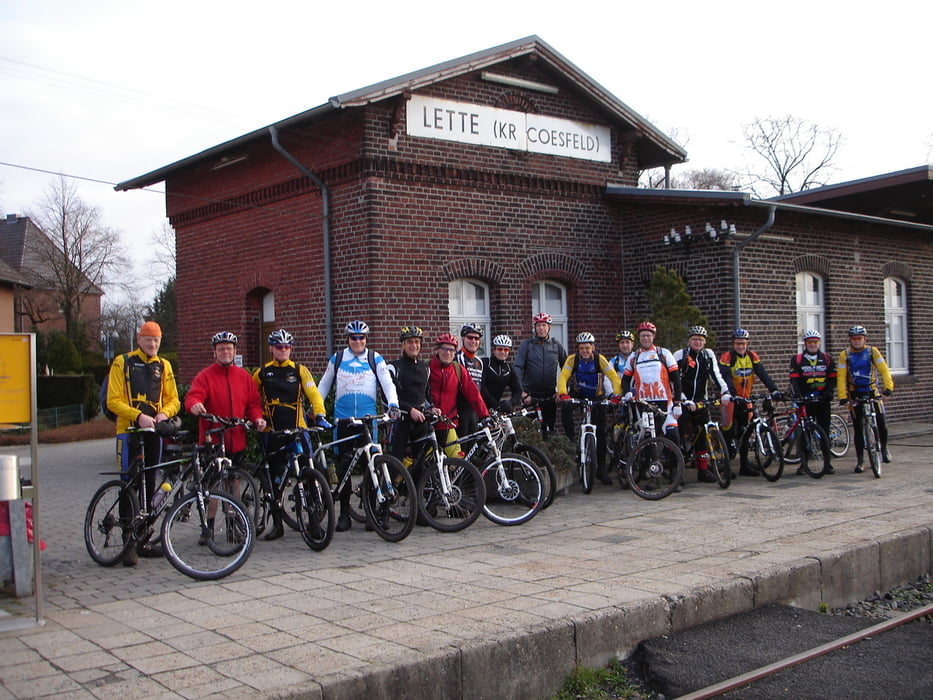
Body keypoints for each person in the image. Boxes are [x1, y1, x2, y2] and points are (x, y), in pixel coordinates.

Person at [106, 320, 180, 566]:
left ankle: (143, 537)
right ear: (139, 340)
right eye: (148, 339)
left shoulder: (164, 365)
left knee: (150, 484)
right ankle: (128, 542)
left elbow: (174, 399)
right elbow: (112, 401)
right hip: (128, 432)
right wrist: (137, 416)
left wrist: (163, 414)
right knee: (129, 485)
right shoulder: (123, 362)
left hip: (153, 433)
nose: (152, 343)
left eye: (156, 340)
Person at [317, 320, 400, 532]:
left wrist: (393, 404)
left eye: (361, 337)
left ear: (366, 339)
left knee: (370, 467)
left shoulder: (374, 359)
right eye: (353, 338)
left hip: (368, 422)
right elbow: (324, 385)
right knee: (344, 469)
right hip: (343, 421)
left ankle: (372, 513)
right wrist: (318, 410)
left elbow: (387, 383)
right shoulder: (337, 359)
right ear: (348, 339)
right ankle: (344, 515)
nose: (358, 341)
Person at [185, 331, 267, 543]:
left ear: (234, 351)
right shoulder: (205, 376)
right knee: (213, 484)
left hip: (236, 437)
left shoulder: (243, 377)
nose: (225, 352)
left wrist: (257, 419)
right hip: (213, 438)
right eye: (221, 349)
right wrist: (194, 404)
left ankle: (233, 525)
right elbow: (193, 395)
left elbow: (253, 404)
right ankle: (209, 528)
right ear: (214, 352)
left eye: (229, 349)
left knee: (234, 482)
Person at [252, 329, 329, 541]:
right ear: (271, 349)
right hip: (273, 432)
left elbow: (314, 394)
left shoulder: (299, 370)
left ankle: (314, 522)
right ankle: (277, 524)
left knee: (309, 474)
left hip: (298, 430)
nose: (283, 350)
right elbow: (251, 399)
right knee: (276, 479)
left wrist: (320, 414)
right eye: (279, 347)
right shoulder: (261, 373)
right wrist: (257, 417)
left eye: (286, 347)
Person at [557, 332, 622, 485]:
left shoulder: (600, 360)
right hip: (578, 393)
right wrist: (563, 394)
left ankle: (601, 470)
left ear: (593, 347)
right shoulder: (573, 360)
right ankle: (571, 438)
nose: (585, 350)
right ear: (578, 349)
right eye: (581, 348)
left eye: (587, 347)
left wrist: (617, 395)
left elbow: (614, 377)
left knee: (600, 433)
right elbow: (563, 377)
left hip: (596, 396)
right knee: (565, 409)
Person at [673, 326, 733, 483]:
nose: (697, 342)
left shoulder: (708, 355)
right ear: (689, 341)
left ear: (704, 341)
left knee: (703, 435)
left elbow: (716, 374)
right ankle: (677, 472)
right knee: (678, 435)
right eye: (694, 339)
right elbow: (674, 380)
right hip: (682, 401)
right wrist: (683, 399)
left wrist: (725, 392)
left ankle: (703, 470)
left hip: (700, 401)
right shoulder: (681, 355)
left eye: (700, 339)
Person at [719, 329, 782, 472]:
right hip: (730, 399)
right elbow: (725, 377)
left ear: (747, 344)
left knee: (745, 431)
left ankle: (744, 465)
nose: (740, 346)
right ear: (733, 344)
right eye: (737, 344)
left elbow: (762, 374)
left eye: (743, 343)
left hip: (746, 398)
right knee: (727, 432)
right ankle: (726, 466)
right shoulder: (727, 357)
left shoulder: (752, 356)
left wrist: (774, 390)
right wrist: (732, 394)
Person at [837, 325, 894, 472]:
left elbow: (884, 370)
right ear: (850, 340)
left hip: (872, 391)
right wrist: (843, 397)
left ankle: (884, 447)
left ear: (864, 339)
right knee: (858, 428)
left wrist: (888, 388)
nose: (857, 341)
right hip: (854, 393)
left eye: (859, 339)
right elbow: (841, 376)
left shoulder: (872, 352)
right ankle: (860, 461)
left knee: (881, 421)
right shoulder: (845, 355)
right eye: (854, 339)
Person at [621, 321, 683, 445]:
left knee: (673, 435)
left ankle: (674, 464)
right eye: (643, 335)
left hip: (666, 402)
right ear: (639, 338)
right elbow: (625, 380)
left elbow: (676, 379)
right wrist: (627, 392)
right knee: (648, 440)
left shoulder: (664, 353)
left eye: (648, 335)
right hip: (644, 404)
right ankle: (650, 463)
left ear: (653, 336)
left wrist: (677, 403)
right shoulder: (634, 357)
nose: (645, 338)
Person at [428, 332, 489, 450]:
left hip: (448, 424)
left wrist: (485, 415)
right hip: (429, 424)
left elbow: (473, 393)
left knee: (457, 461)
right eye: (444, 349)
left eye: (451, 350)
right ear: (437, 350)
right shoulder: (428, 368)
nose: (448, 353)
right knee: (425, 461)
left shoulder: (458, 369)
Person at [788, 329, 836, 475]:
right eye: (810, 342)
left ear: (819, 343)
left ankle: (827, 464)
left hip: (822, 401)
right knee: (804, 434)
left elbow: (833, 378)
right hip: (806, 401)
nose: (813, 344)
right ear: (805, 343)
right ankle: (804, 464)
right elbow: (794, 380)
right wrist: (798, 396)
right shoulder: (797, 359)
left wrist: (828, 393)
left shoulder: (827, 358)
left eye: (815, 342)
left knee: (824, 433)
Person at [513, 312, 568, 439]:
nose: (541, 328)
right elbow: (517, 368)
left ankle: (547, 457)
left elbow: (567, 369)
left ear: (549, 327)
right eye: (538, 325)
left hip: (550, 395)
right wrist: (521, 392)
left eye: (544, 325)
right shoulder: (527, 345)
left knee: (549, 430)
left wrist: (561, 391)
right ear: (535, 327)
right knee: (529, 432)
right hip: (530, 396)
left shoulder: (556, 346)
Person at [387, 325, 432, 472]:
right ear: (403, 345)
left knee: (420, 460)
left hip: (420, 419)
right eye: (410, 342)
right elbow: (387, 397)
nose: (414, 345)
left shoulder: (425, 367)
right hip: (401, 419)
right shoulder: (394, 367)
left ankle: (417, 493)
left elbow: (425, 395)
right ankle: (389, 491)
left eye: (417, 342)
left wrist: (432, 407)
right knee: (396, 460)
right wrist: (409, 409)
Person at [455, 323, 485, 438]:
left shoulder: (479, 362)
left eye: (476, 338)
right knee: (461, 449)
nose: (473, 341)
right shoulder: (458, 357)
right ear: (463, 338)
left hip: (474, 411)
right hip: (460, 410)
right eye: (470, 337)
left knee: (472, 447)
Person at [481, 334, 522, 412]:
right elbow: (481, 387)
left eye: (506, 350)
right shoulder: (485, 363)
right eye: (500, 349)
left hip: (495, 409)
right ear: (494, 350)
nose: (503, 352)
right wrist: (495, 404)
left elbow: (518, 390)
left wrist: (510, 403)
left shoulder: (508, 369)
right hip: (480, 406)